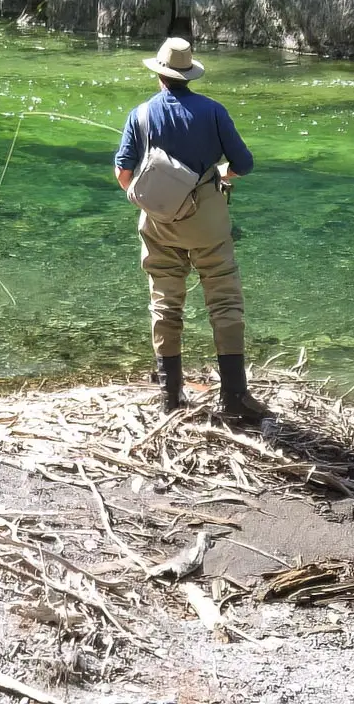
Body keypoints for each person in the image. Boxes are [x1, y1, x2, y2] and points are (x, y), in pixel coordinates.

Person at [112, 38, 272, 421]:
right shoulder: (214, 111)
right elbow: (244, 165)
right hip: (209, 224)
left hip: (159, 223)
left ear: (160, 76)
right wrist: (217, 174)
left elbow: (123, 175)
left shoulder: (141, 114)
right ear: (189, 75)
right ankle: (233, 397)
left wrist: (159, 198)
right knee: (225, 301)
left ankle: (171, 398)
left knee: (165, 303)